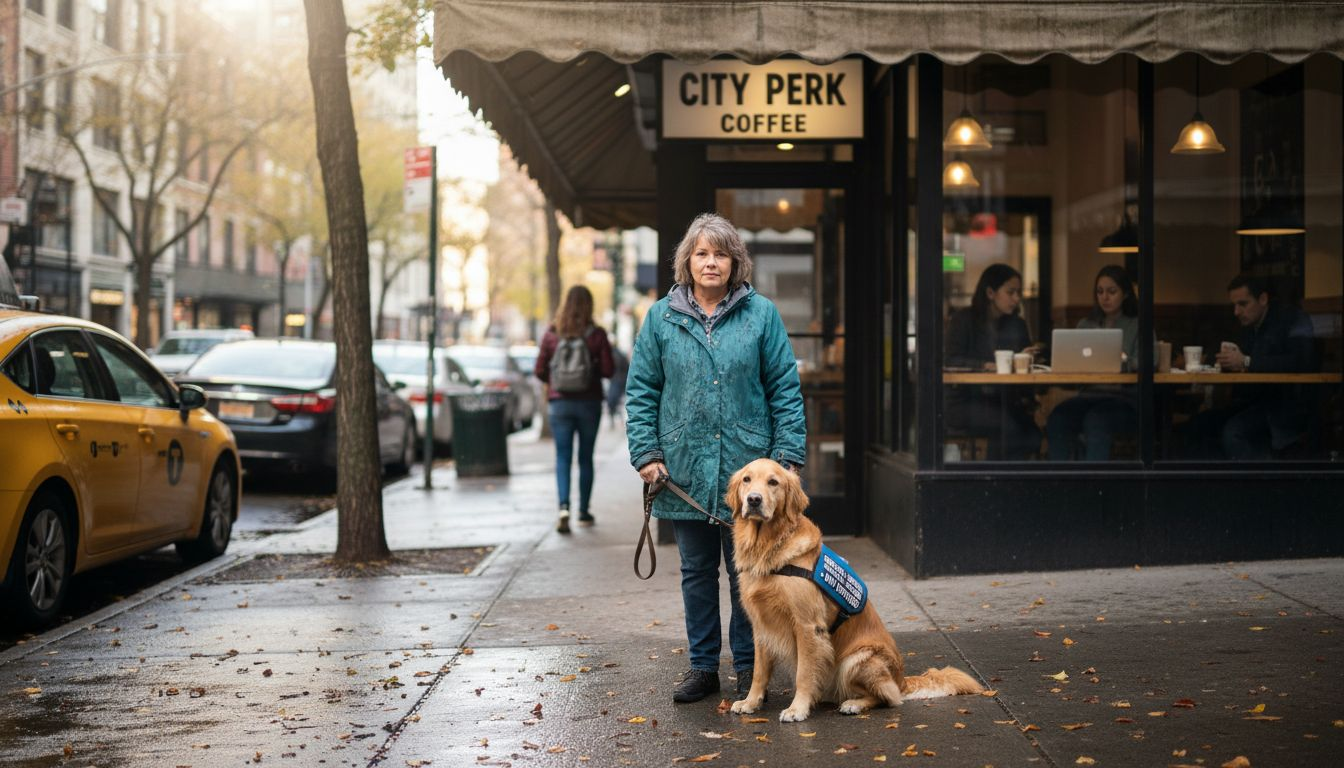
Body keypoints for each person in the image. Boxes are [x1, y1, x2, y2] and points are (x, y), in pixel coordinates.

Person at [626, 212, 806, 704]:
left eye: (721, 254)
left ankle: (752, 669)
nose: (711, 262)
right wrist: (646, 453)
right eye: (702, 254)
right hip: (683, 469)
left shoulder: (761, 314)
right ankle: (704, 667)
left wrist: (788, 457)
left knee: (750, 574)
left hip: (750, 474)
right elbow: (641, 390)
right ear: (687, 260)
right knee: (696, 572)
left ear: (735, 263)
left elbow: (785, 390)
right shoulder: (660, 318)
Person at [1188, 274, 1317, 459]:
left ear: (1263, 299)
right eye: (1234, 305)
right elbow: (1243, 358)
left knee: (1234, 433)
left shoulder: (1292, 319)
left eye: (1243, 304)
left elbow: (1302, 361)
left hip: (1284, 408)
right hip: (1252, 403)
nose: (1236, 311)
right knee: (1199, 424)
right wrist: (1223, 362)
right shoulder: (1250, 326)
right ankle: (1214, 485)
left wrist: (1246, 362)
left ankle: (1256, 486)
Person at [535, 285, 614, 533]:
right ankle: (583, 511)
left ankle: (563, 507)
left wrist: (555, 378)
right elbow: (609, 370)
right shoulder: (597, 334)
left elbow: (538, 370)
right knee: (585, 458)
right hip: (589, 403)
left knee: (562, 457)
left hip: (560, 404)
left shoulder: (551, 333)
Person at [944, 263, 1042, 460]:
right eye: (1011, 292)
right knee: (1008, 428)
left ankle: (1009, 481)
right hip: (965, 400)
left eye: (1018, 293)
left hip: (1003, 399)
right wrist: (984, 366)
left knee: (1033, 434)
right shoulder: (963, 320)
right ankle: (995, 482)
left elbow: (1021, 362)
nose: (1016, 299)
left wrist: (1028, 359)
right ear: (990, 292)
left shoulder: (1017, 324)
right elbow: (950, 360)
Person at [1046, 265, 1140, 460]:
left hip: (1124, 398)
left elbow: (1150, 361)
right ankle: (1060, 483)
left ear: (1126, 294)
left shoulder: (1138, 324)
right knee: (1057, 418)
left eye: (1112, 291)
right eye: (1100, 291)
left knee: (1096, 420)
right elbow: (1076, 364)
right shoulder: (1086, 324)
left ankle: (1093, 484)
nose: (1104, 297)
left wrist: (1123, 361)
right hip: (1089, 395)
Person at [605, 345, 629, 428]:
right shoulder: (618, 353)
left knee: (612, 401)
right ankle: (614, 419)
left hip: (617, 380)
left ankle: (615, 418)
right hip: (618, 380)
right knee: (614, 401)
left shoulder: (614, 354)